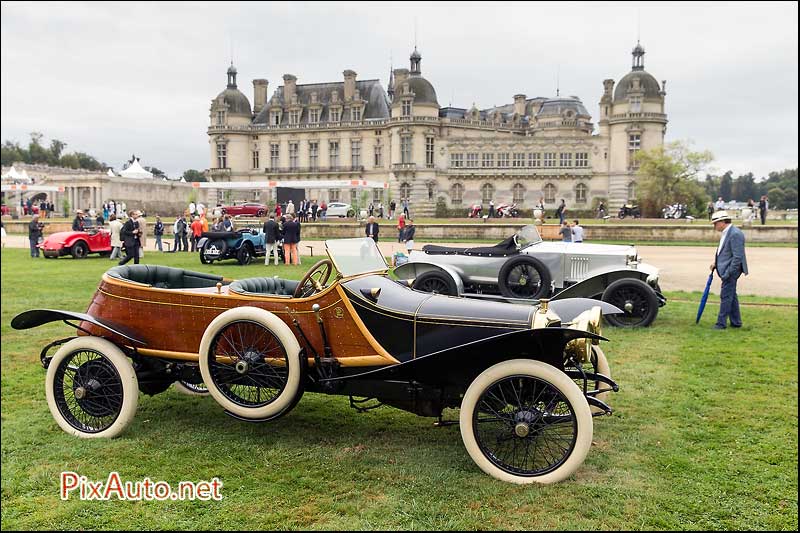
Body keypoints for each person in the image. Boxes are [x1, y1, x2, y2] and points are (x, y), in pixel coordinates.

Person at [709, 211, 748, 329]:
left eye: (715, 223)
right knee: (731, 295)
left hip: (731, 271)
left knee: (725, 296)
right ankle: (736, 322)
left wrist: (728, 273)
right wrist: (716, 262)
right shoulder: (727, 233)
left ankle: (721, 324)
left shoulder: (735, 234)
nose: (714, 226)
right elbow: (724, 252)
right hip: (727, 270)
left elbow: (737, 257)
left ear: (722, 222)